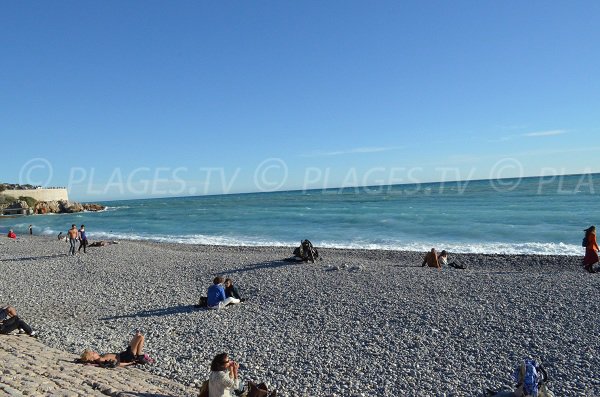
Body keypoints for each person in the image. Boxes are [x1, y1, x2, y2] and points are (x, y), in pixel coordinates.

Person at [79, 330, 151, 367]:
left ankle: (139, 355)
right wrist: (130, 363)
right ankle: (139, 354)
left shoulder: (100, 357)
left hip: (124, 354)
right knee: (141, 337)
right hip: (127, 357)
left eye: (92, 352)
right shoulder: (101, 360)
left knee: (138, 336)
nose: (94, 352)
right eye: (93, 353)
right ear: (92, 358)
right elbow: (117, 364)